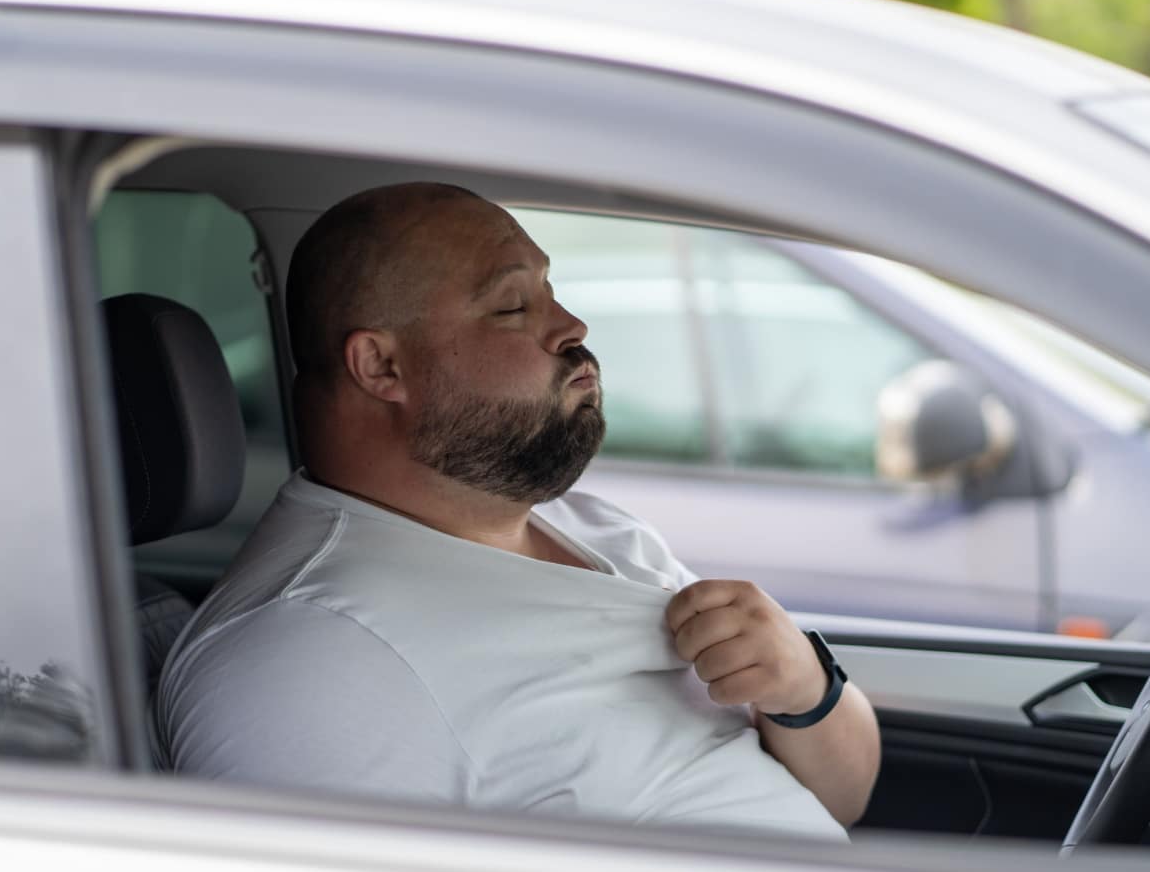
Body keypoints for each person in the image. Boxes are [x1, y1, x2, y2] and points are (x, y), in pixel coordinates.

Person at [156, 183, 881, 842]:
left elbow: (841, 800)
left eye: (553, 292)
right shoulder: (308, 660)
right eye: (513, 307)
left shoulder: (601, 530)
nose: (572, 326)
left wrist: (803, 693)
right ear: (381, 367)